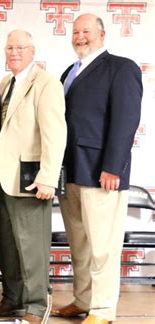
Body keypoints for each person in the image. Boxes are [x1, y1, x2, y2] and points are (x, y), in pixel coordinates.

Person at [50, 14, 142, 324]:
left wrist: (113, 167)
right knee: (80, 246)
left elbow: (126, 119)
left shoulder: (121, 67)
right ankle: (83, 300)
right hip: (71, 173)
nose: (80, 37)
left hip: (103, 174)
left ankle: (102, 311)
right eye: (76, 32)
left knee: (103, 247)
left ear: (102, 34)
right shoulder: (69, 72)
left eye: (86, 31)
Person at [0, 30, 67, 324]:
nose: (14, 52)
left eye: (20, 47)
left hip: (31, 179)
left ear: (33, 51)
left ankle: (36, 305)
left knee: (32, 247)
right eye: (9, 47)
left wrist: (48, 177)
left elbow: (55, 134)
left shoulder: (46, 83)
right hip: (4, 178)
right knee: (7, 244)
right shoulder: (6, 82)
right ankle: (13, 298)